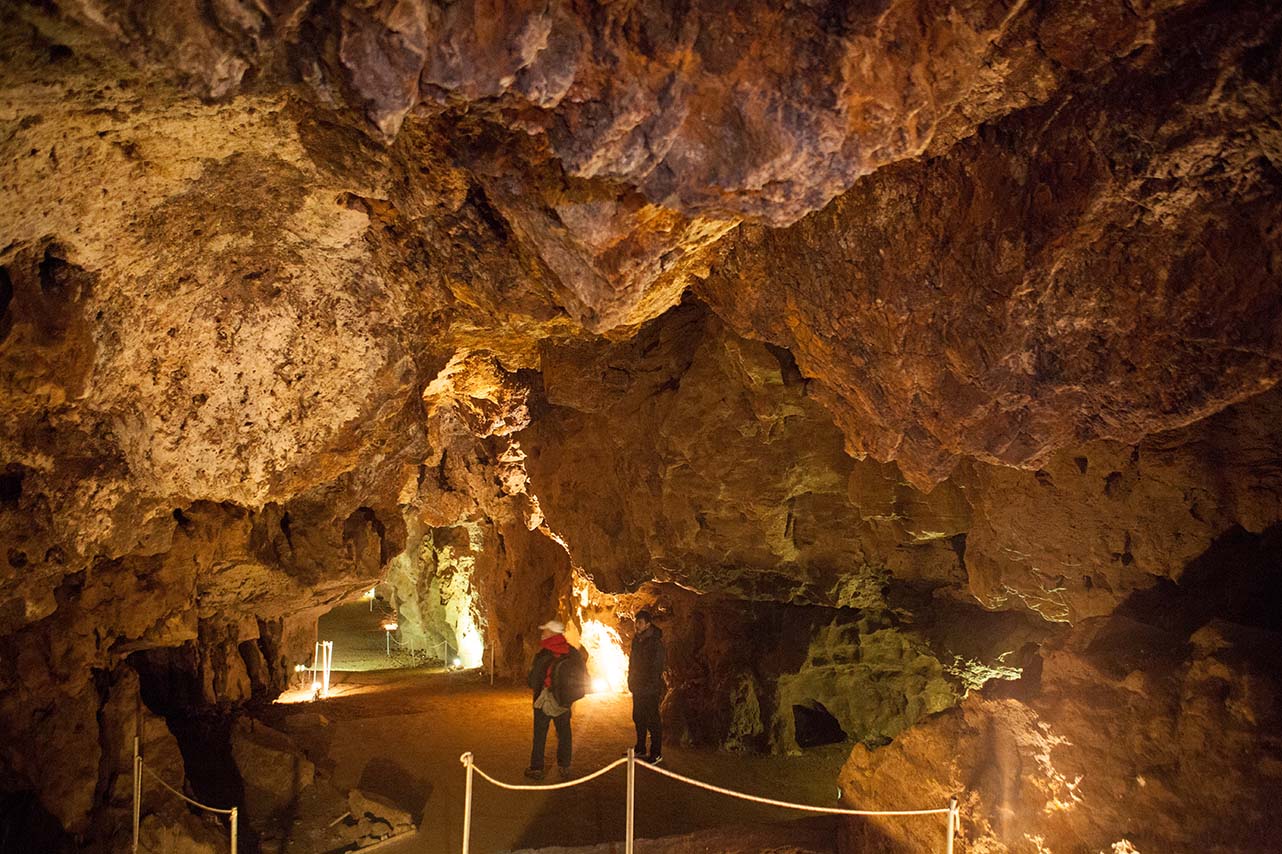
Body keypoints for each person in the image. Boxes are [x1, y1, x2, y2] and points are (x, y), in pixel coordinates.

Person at [525, 619, 585, 780]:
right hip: (563, 700)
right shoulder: (572, 652)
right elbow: (582, 675)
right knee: (564, 732)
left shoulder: (544, 653)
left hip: (544, 700)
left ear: (552, 633)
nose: (542, 633)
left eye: (545, 631)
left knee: (540, 734)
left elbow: (533, 679)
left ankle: (537, 768)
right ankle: (564, 765)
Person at [628, 608, 666, 764]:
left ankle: (656, 753)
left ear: (648, 624)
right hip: (638, 686)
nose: (637, 625)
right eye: (636, 622)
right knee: (638, 717)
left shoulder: (656, 643)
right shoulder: (637, 641)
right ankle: (640, 748)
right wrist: (631, 680)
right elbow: (632, 663)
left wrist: (649, 686)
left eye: (640, 623)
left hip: (650, 688)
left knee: (652, 720)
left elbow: (657, 667)